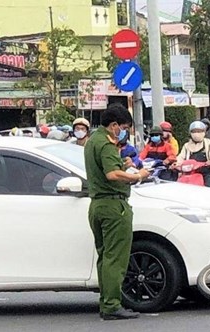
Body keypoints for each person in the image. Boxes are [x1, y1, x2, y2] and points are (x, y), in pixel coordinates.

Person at [84, 103, 149, 320]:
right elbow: (112, 174)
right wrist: (138, 175)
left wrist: (124, 163)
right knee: (115, 258)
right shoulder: (106, 144)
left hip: (97, 205)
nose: (124, 132)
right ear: (114, 126)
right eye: (123, 127)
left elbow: (107, 169)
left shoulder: (93, 140)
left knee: (105, 256)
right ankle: (112, 305)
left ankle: (106, 302)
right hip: (114, 206)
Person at [176, 121, 210, 188]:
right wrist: (176, 164)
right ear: (190, 133)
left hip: (205, 172)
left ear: (204, 132)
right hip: (188, 173)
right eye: (194, 131)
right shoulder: (186, 146)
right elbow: (180, 157)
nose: (196, 134)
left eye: (199, 131)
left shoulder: (209, 144)